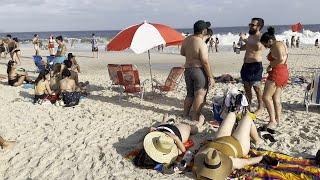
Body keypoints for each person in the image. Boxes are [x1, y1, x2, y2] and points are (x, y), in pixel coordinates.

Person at [193, 112, 264, 179]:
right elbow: (249, 161)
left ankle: (237, 125)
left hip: (220, 139)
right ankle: (257, 140)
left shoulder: (201, 158)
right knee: (247, 118)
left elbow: (193, 153)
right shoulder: (231, 162)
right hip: (238, 145)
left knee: (231, 114)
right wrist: (263, 157)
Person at [180, 20, 215, 122]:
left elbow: (182, 52)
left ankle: (185, 114)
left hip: (188, 70)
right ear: (204, 31)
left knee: (190, 94)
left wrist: (191, 54)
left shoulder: (187, 39)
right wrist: (211, 77)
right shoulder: (201, 43)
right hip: (198, 70)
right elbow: (204, 61)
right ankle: (195, 117)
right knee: (200, 94)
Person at [260, 27, 289, 129]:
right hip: (284, 71)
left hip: (277, 72)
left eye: (265, 44)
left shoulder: (275, 45)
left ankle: (272, 121)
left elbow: (280, 58)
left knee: (266, 97)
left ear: (270, 40)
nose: (265, 46)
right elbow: (283, 58)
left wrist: (270, 65)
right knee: (276, 98)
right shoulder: (281, 43)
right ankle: (278, 120)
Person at [239, 18, 265, 114]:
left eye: (252, 25)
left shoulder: (261, 36)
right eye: (250, 24)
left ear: (259, 27)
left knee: (257, 88)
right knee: (246, 87)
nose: (250, 26)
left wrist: (244, 39)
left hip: (255, 65)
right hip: (246, 65)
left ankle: (261, 106)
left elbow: (257, 47)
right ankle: (249, 106)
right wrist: (239, 48)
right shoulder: (250, 36)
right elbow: (248, 47)